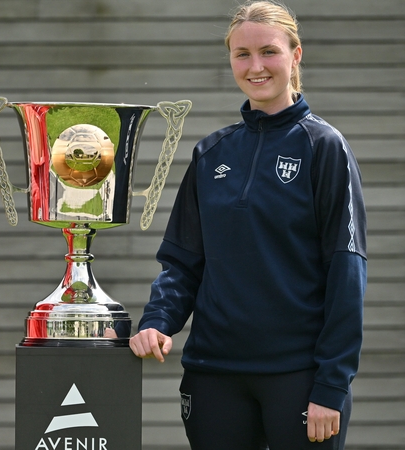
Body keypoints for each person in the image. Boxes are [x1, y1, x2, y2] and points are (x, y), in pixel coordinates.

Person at [129, 1, 366, 449]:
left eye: (268, 52)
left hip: (298, 378)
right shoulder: (211, 153)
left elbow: (346, 270)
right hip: (213, 375)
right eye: (242, 54)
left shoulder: (325, 147)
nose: (255, 66)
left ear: (296, 55)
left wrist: (331, 385)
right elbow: (182, 262)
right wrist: (159, 321)